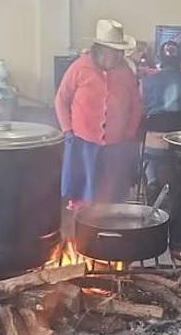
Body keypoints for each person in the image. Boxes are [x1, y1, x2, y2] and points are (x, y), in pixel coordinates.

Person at [55, 19, 144, 209]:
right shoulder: (79, 67)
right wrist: (67, 130)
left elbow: (136, 105)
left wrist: (129, 132)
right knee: (83, 195)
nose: (120, 55)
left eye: (121, 51)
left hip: (116, 144)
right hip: (83, 142)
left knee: (112, 195)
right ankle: (82, 221)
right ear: (101, 50)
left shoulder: (125, 71)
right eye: (116, 51)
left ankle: (108, 221)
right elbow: (61, 99)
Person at [141, 41, 181, 200]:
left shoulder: (147, 81)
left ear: (159, 60)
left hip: (157, 141)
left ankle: (152, 182)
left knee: (141, 147)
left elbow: (139, 109)